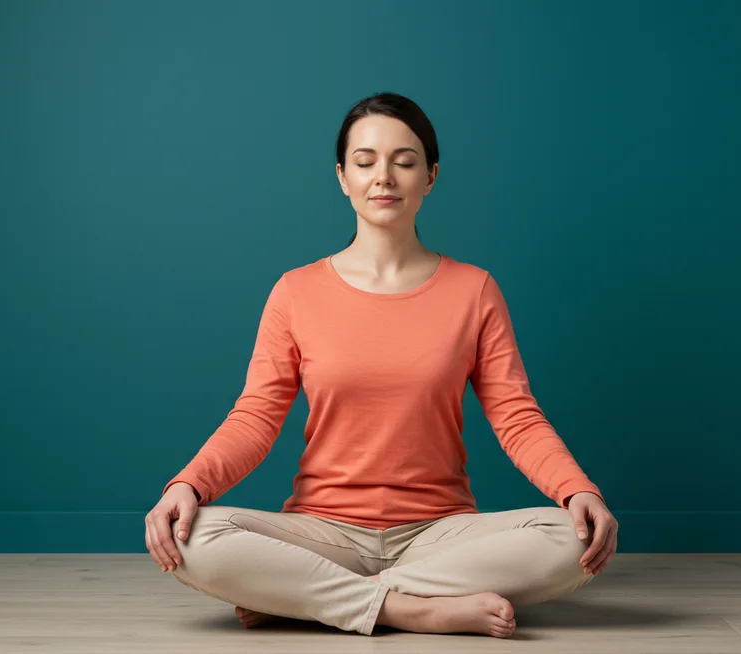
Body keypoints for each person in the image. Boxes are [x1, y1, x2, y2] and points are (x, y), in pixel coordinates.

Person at [144, 92, 619, 638]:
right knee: (195, 534)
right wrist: (189, 484)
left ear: (431, 176)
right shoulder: (295, 292)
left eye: (405, 161)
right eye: (366, 162)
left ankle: (304, 597)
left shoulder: (475, 290)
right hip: (322, 533)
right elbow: (255, 417)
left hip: (442, 534)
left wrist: (579, 490)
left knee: (570, 537)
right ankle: (410, 607)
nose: (384, 177)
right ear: (343, 177)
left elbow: (516, 417)